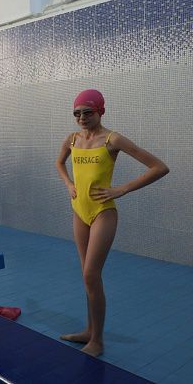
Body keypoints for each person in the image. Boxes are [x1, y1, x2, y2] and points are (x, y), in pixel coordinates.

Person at [55, 89, 169, 357]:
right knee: (87, 276)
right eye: (77, 113)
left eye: (88, 112)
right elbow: (59, 163)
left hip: (102, 213)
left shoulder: (112, 139)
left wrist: (122, 189)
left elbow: (159, 167)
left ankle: (97, 341)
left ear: (101, 111)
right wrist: (69, 183)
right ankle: (89, 330)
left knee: (91, 274)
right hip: (79, 212)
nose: (81, 118)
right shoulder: (72, 139)